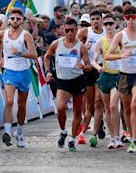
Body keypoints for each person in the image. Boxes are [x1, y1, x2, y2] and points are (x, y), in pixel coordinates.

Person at [105, 6, 136, 153]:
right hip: (125, 75)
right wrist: (121, 55)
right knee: (127, 109)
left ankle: (134, 139)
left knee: (135, 104)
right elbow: (108, 56)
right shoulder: (120, 35)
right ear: (124, 19)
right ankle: (133, 135)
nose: (131, 20)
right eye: (127, 18)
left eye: (133, 17)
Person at [44, 19, 92, 151]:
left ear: (77, 30)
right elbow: (46, 56)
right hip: (62, 81)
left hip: (77, 80)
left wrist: (82, 66)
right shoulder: (56, 43)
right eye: (67, 30)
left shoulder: (80, 46)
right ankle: (63, 131)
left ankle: (72, 139)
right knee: (60, 107)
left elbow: (88, 66)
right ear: (63, 30)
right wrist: (48, 71)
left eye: (72, 30)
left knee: (77, 111)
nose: (69, 33)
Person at [0, 8, 38, 147]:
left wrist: (19, 53)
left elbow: (34, 54)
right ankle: (7, 132)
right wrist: (0, 58)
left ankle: (19, 133)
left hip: (24, 72)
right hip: (9, 71)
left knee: (21, 105)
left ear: (22, 20)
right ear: (9, 19)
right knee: (9, 101)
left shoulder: (26, 35)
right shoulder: (3, 34)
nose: (14, 21)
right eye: (12, 18)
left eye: (18, 19)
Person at [92, 14, 124, 149]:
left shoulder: (121, 39)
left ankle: (118, 136)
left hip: (118, 76)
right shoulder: (101, 42)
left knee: (113, 106)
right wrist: (99, 67)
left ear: (115, 24)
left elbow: (128, 54)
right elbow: (94, 60)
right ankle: (112, 138)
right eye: (106, 24)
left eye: (111, 23)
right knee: (107, 109)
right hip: (105, 76)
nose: (109, 26)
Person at [76, 10, 106, 145]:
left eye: (97, 18)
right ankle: (86, 131)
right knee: (89, 105)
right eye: (93, 19)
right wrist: (82, 47)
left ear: (101, 20)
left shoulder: (107, 32)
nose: (95, 21)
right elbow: (71, 46)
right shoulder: (85, 32)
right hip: (88, 69)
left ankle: (95, 131)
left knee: (98, 102)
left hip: (101, 68)